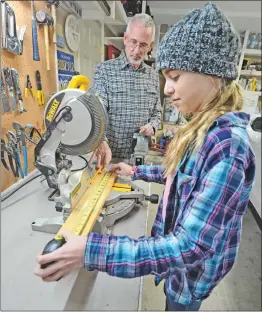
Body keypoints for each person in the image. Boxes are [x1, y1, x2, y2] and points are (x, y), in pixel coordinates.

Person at [34, 4, 256, 311]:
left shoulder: (227, 146)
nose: (167, 89)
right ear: (125, 39)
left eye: (176, 77)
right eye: (166, 77)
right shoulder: (203, 127)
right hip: (176, 268)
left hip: (190, 277)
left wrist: (90, 250)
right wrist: (137, 172)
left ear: (212, 74)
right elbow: (183, 175)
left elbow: (189, 247)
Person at [90, 13, 162, 167]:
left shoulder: (154, 76)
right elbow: (97, 113)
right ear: (125, 38)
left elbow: (157, 113)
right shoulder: (104, 71)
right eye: (133, 42)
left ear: (151, 46)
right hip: (110, 158)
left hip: (140, 160)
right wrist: (101, 141)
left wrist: (153, 126)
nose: (136, 50)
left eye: (143, 45)